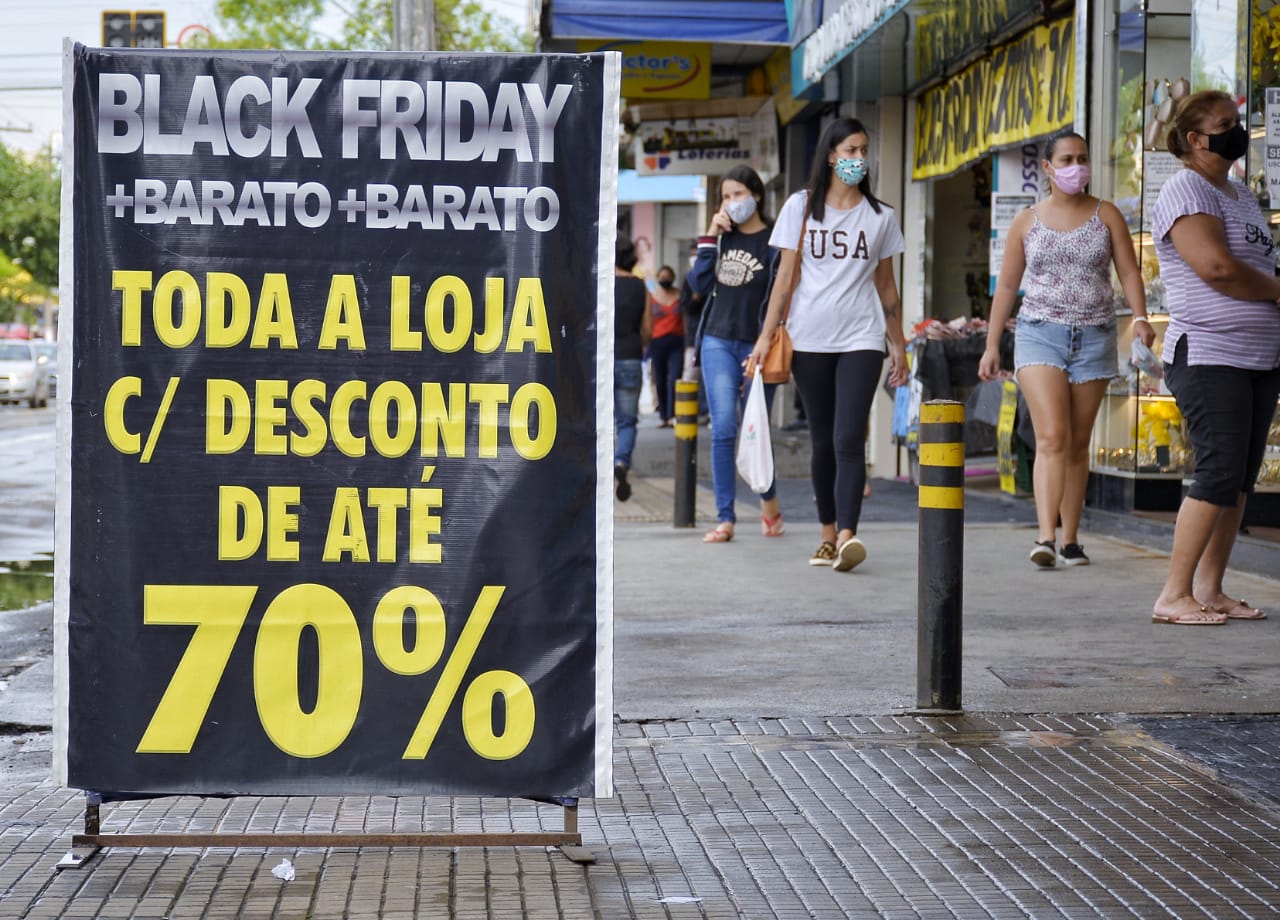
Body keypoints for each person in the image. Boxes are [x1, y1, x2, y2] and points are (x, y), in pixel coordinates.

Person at [978, 130, 1149, 569]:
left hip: (1094, 335)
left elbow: (1129, 272)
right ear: (1049, 169)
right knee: (1051, 436)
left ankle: (1071, 539)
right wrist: (992, 343)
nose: (1077, 166)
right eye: (1067, 159)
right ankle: (1046, 536)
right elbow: (1008, 286)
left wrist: (1142, 317)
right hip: (1039, 333)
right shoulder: (1027, 220)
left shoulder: (1106, 214)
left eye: (1083, 158)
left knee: (1077, 443)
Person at [750, 117, 909, 571]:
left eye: (864, 150)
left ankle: (847, 536)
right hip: (809, 338)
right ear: (831, 155)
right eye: (851, 151)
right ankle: (825, 533)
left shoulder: (881, 217)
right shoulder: (800, 207)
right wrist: (765, 338)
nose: (860, 159)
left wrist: (897, 345)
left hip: (862, 337)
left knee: (847, 437)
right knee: (822, 438)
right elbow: (784, 280)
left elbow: (887, 288)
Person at [1148, 91, 1280, 625]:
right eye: (1226, 124)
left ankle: (1211, 586)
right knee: (1218, 471)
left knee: (1238, 480)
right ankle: (1173, 594)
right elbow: (1217, 268)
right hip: (1208, 352)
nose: (1237, 130)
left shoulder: (1240, 195)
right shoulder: (1186, 189)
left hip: (1256, 355)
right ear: (1196, 139)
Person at [688, 164, 784, 543]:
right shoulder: (722, 240)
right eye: (726, 197)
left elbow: (785, 292)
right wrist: (711, 235)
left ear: (757, 195)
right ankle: (725, 518)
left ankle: (769, 501)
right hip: (718, 340)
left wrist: (767, 337)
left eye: (738, 194)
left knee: (753, 429)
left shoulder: (776, 240)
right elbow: (697, 283)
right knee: (724, 426)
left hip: (760, 343)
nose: (732, 203)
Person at [614, 238, 652, 502]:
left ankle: (600, 465)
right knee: (627, 420)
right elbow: (648, 329)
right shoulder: (641, 288)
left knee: (601, 420)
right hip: (630, 358)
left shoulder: (600, 284)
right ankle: (621, 461)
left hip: (602, 361)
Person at [647, 265, 684, 427]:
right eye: (662, 277)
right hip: (657, 341)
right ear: (657, 278)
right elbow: (646, 320)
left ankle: (672, 414)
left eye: (668, 277)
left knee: (675, 377)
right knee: (660, 380)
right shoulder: (651, 296)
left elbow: (686, 318)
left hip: (677, 340)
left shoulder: (680, 295)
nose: (665, 280)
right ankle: (663, 415)